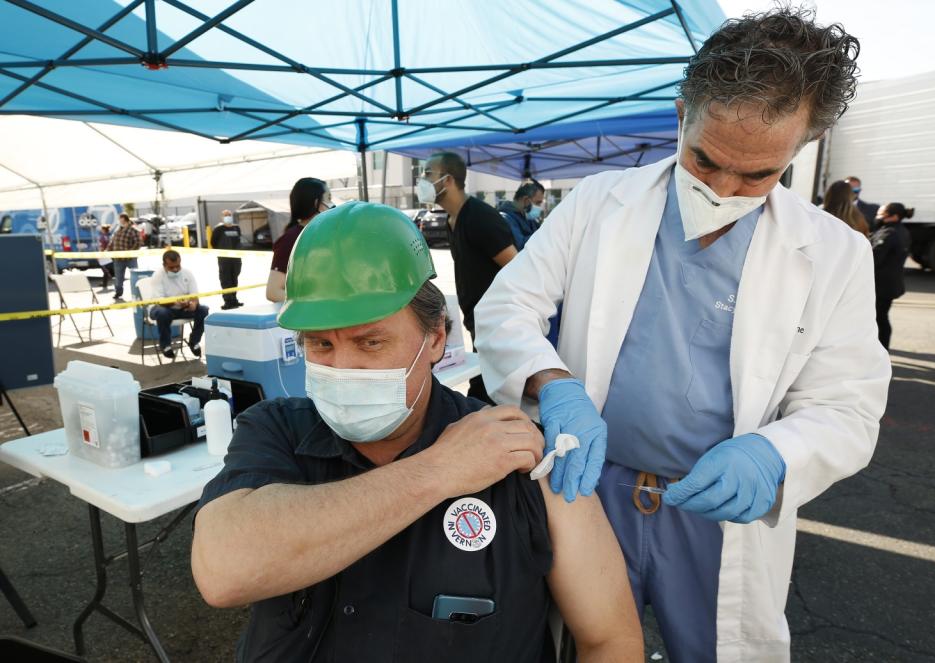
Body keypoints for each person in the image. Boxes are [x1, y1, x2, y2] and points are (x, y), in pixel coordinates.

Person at [474, 8, 890, 662]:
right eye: (705, 159)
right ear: (681, 113)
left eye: (756, 174)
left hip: (718, 513)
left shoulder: (835, 254)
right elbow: (507, 308)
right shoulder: (596, 204)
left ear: (800, 145)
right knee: (583, 645)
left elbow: (847, 406)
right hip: (592, 488)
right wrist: (554, 385)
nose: (723, 188)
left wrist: (773, 456)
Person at [191, 202, 644, 662]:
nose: (342, 366)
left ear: (435, 338)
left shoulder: (519, 453)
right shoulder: (276, 430)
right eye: (320, 343)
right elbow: (223, 569)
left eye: (370, 341)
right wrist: (440, 469)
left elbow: (611, 640)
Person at [418, 152, 517, 403]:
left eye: (429, 173)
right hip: (478, 322)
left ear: (448, 179)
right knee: (483, 388)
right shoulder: (452, 219)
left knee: (490, 394)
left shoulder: (479, 217)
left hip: (500, 325)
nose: (423, 180)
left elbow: (517, 267)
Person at [266, 177, 331, 303]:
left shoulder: (324, 234)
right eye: (328, 198)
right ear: (316, 203)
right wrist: (313, 303)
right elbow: (273, 292)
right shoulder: (290, 240)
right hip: (312, 318)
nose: (332, 204)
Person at [148, 249, 208, 359]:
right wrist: (176, 302)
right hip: (163, 308)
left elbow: (194, 294)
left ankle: (194, 341)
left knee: (204, 310)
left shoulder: (187, 273)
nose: (175, 269)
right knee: (162, 313)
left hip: (183, 308)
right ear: (164, 265)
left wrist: (193, 304)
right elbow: (158, 300)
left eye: (178, 266)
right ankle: (165, 345)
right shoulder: (158, 276)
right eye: (171, 267)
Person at [871, 203, 913, 349]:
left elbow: (873, 258)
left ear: (894, 216)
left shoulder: (889, 233)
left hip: (881, 286)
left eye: (882, 214)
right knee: (880, 318)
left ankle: (882, 350)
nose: (878, 216)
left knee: (879, 319)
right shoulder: (899, 230)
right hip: (888, 284)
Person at [210, 209, 243, 309]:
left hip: (236, 259)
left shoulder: (236, 228)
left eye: (229, 214)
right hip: (224, 259)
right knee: (226, 279)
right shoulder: (218, 229)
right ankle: (228, 301)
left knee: (234, 279)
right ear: (222, 217)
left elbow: (239, 239)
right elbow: (213, 242)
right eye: (225, 215)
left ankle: (234, 299)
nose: (228, 216)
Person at [498, 182, 545, 250]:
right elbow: (521, 246)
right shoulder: (505, 218)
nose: (540, 207)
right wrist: (543, 234)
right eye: (537, 203)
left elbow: (541, 230)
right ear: (526, 200)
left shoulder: (527, 216)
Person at [106, 212, 140, 301]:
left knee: (135, 274)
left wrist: (130, 252)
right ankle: (118, 292)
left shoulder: (133, 229)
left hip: (130, 258)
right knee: (118, 277)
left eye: (120, 218)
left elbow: (138, 242)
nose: (119, 220)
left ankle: (138, 291)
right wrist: (108, 250)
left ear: (124, 219)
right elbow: (112, 241)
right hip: (118, 258)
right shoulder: (118, 229)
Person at [96, 222, 114, 291]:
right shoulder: (110, 236)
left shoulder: (102, 237)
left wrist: (99, 255)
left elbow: (101, 247)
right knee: (108, 268)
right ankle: (105, 282)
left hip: (104, 254)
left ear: (103, 230)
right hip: (110, 254)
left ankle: (105, 282)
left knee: (104, 269)